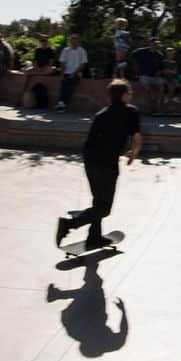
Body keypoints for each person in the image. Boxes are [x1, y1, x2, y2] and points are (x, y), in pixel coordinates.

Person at [56, 78, 141, 249]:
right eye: (129, 92)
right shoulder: (131, 111)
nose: (131, 95)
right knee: (104, 208)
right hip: (107, 164)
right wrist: (133, 153)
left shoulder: (101, 114)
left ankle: (94, 237)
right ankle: (69, 224)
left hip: (91, 161)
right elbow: (136, 137)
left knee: (98, 202)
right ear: (124, 95)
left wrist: (120, 149)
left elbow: (98, 139)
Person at [56, 32, 89, 111]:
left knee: (70, 85)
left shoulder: (82, 51)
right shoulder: (65, 50)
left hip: (77, 73)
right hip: (66, 73)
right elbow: (62, 63)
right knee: (63, 85)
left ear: (78, 41)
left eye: (75, 40)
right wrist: (62, 74)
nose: (73, 41)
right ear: (69, 41)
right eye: (72, 40)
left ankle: (62, 103)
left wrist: (74, 73)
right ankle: (62, 103)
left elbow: (83, 64)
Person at [131, 38, 164, 113]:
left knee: (161, 86)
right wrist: (136, 68)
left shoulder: (160, 55)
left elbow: (161, 67)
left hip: (155, 76)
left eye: (157, 44)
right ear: (150, 44)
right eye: (154, 43)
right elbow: (133, 56)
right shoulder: (141, 51)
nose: (155, 45)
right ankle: (151, 107)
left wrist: (158, 73)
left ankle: (157, 105)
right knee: (147, 88)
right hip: (144, 75)